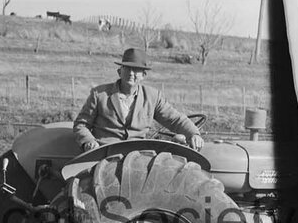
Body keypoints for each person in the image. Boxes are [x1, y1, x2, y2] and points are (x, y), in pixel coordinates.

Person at [73, 47, 204, 152]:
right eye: (127, 68)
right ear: (120, 71)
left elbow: (174, 119)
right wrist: (89, 141)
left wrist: (194, 134)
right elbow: (81, 125)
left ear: (143, 75)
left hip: (138, 156)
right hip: (104, 153)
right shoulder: (99, 94)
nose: (131, 73)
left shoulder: (152, 97)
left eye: (136, 70)